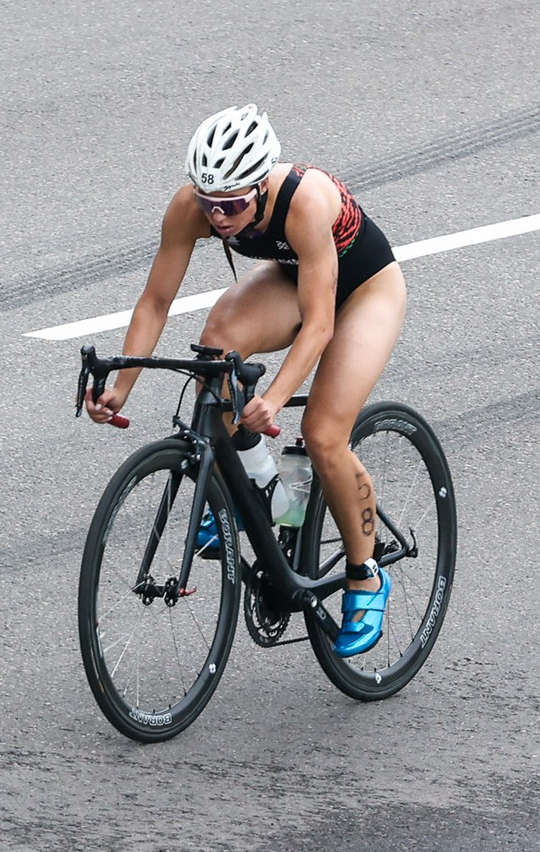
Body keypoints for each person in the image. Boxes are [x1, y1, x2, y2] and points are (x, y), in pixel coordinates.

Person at [84, 104, 409, 656]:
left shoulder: (304, 201)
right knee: (217, 344)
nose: (219, 218)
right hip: (295, 278)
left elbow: (322, 322)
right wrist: (122, 385)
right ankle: (265, 492)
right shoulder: (195, 207)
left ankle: (366, 574)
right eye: (210, 204)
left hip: (364, 294)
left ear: (260, 185)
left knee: (325, 432)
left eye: (233, 204)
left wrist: (277, 396)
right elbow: (156, 301)